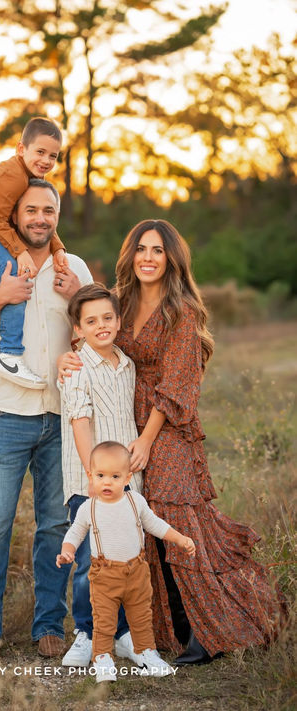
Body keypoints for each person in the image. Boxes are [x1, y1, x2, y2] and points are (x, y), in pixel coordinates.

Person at [59, 218, 282, 664]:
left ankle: (210, 630)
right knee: (142, 527)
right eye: (141, 248)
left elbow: (179, 383)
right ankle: (164, 630)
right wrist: (69, 356)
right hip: (119, 427)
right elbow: (91, 335)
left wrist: (146, 439)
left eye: (158, 250)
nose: (147, 257)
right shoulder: (119, 302)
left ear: (172, 257)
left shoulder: (183, 310)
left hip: (166, 428)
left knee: (182, 522)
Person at [0, 178, 92, 661]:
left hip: (64, 417)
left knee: (54, 523)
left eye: (48, 210)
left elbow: (98, 334)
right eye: (30, 209)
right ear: (14, 214)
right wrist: (3, 294)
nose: (39, 218)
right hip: (7, 414)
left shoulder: (76, 267)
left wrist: (77, 299)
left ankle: (49, 623)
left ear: (57, 214)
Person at [56, 441, 196, 682]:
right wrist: (67, 551)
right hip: (105, 575)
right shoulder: (89, 508)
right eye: (100, 475)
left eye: (115, 476)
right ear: (90, 475)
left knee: (141, 616)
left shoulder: (135, 501)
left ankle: (146, 653)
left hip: (137, 572)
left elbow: (155, 524)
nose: (107, 482)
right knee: (104, 619)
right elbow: (75, 533)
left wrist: (180, 539)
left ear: (128, 477)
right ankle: (102, 658)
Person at [59, 283, 143, 669]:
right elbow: (80, 422)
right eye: (91, 321)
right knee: (92, 562)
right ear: (78, 329)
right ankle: (86, 632)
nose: (101, 325)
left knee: (123, 556)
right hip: (89, 483)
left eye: (107, 318)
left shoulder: (127, 364)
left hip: (125, 484)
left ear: (118, 320)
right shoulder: (76, 367)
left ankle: (121, 633)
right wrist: (94, 476)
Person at [0, 116, 68, 390]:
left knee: (19, 274)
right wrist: (20, 252)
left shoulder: (29, 176)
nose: (46, 160)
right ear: (21, 149)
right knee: (18, 277)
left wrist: (58, 247)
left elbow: (37, 219)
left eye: (52, 156)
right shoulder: (13, 175)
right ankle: (9, 354)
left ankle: (9, 352)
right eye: (39, 152)